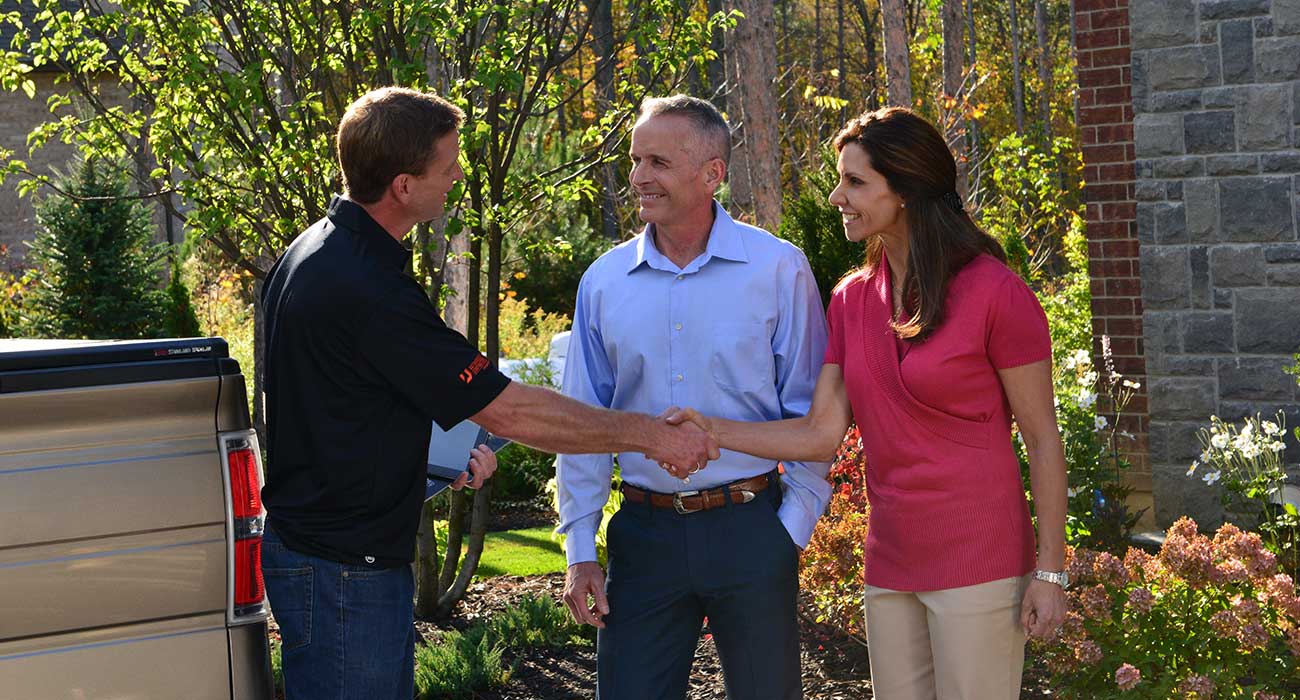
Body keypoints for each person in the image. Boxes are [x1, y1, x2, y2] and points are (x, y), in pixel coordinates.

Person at [259, 87, 718, 700]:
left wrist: (428, 461)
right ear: (402, 185)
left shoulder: (312, 252)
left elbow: (340, 407)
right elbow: (510, 409)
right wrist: (649, 435)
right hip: (344, 573)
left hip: (331, 559)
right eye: (447, 166)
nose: (456, 178)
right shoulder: (367, 288)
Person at [664, 107, 1069, 700]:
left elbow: (1042, 440)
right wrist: (711, 429)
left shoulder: (994, 292)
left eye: (855, 182)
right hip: (892, 557)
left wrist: (1050, 570)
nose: (837, 196)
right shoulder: (852, 300)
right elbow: (820, 433)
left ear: (905, 189)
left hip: (980, 555)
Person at [555, 95, 830, 700]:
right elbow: (582, 426)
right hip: (643, 540)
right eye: (635, 160)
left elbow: (813, 412)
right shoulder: (602, 283)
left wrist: (792, 527)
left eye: (657, 161)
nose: (638, 177)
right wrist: (580, 549)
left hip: (752, 529)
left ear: (712, 173)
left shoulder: (779, 270)